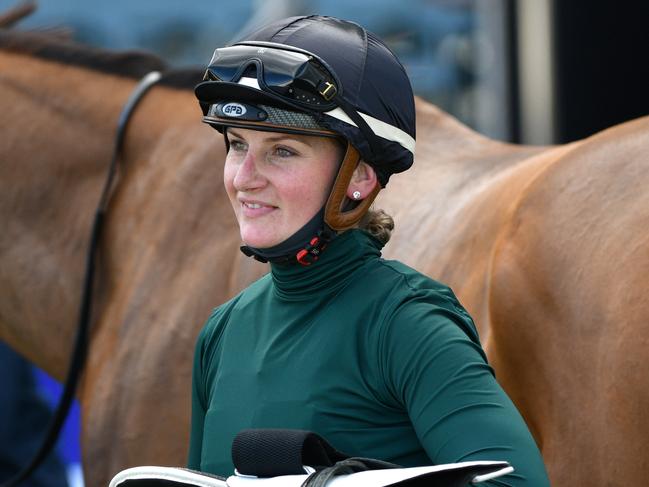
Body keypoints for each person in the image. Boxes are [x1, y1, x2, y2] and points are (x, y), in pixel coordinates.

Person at [188, 15, 550, 486]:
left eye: (282, 151)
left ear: (359, 178)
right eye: (238, 145)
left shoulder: (407, 322)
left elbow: (516, 482)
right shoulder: (220, 332)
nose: (243, 177)